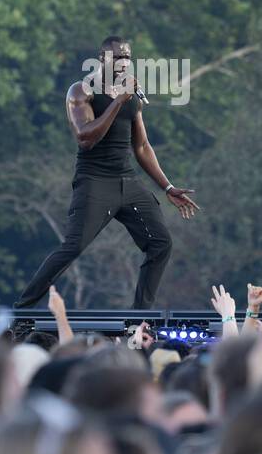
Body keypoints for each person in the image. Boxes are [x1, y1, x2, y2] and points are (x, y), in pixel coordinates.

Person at [15, 36, 198, 309]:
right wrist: (117, 101)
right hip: (94, 181)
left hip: (127, 180)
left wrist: (168, 187)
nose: (124, 62)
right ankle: (21, 310)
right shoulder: (81, 91)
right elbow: (85, 138)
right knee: (73, 247)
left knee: (161, 243)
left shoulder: (131, 95)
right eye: (118, 57)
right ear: (103, 58)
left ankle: (140, 319)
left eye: (128, 57)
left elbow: (142, 146)